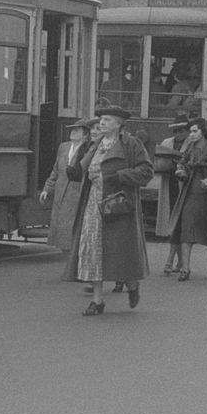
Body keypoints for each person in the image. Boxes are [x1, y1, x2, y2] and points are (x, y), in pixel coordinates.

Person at [63, 105, 154, 315]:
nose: (101, 123)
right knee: (93, 250)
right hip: (93, 204)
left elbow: (146, 172)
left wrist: (119, 176)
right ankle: (97, 300)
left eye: (106, 120)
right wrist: (73, 168)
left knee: (120, 251)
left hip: (118, 205)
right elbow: (81, 173)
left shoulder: (131, 144)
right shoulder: (94, 145)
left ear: (119, 124)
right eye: (101, 119)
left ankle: (132, 284)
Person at [167, 117, 207, 280]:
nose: (192, 135)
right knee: (187, 228)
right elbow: (182, 163)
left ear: (203, 131)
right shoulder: (191, 148)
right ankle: (185, 269)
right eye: (190, 132)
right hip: (191, 192)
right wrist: (180, 171)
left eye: (195, 131)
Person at [40, 117, 95, 252]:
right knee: (61, 222)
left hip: (76, 192)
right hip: (60, 192)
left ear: (85, 135)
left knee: (73, 223)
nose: (73, 133)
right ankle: (67, 250)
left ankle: (73, 251)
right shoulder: (63, 147)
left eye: (77, 131)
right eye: (72, 130)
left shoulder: (88, 149)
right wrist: (47, 189)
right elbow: (55, 171)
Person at [155, 113, 190, 273]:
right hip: (170, 184)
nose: (177, 134)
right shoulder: (166, 143)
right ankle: (179, 261)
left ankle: (172, 260)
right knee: (174, 223)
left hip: (184, 187)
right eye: (175, 131)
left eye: (181, 131)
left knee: (178, 224)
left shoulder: (191, 144)